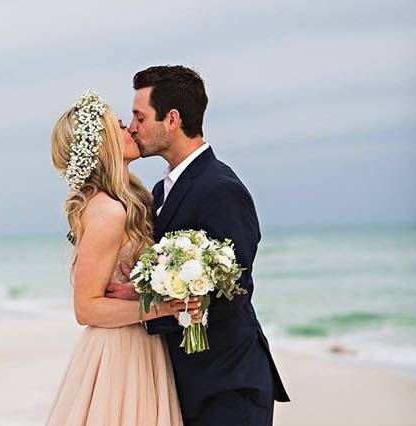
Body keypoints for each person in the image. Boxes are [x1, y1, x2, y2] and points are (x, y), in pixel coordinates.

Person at [106, 65, 290, 425]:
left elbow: (233, 289)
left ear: (171, 119)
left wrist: (147, 301)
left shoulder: (221, 188)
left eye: (139, 117)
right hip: (187, 383)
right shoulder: (159, 191)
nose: (131, 127)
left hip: (227, 386)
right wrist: (139, 290)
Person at [46, 90, 197, 425]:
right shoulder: (106, 211)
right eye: (118, 125)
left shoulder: (131, 200)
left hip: (140, 343)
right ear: (101, 144)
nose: (130, 129)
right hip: (118, 352)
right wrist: (162, 307)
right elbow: (86, 308)